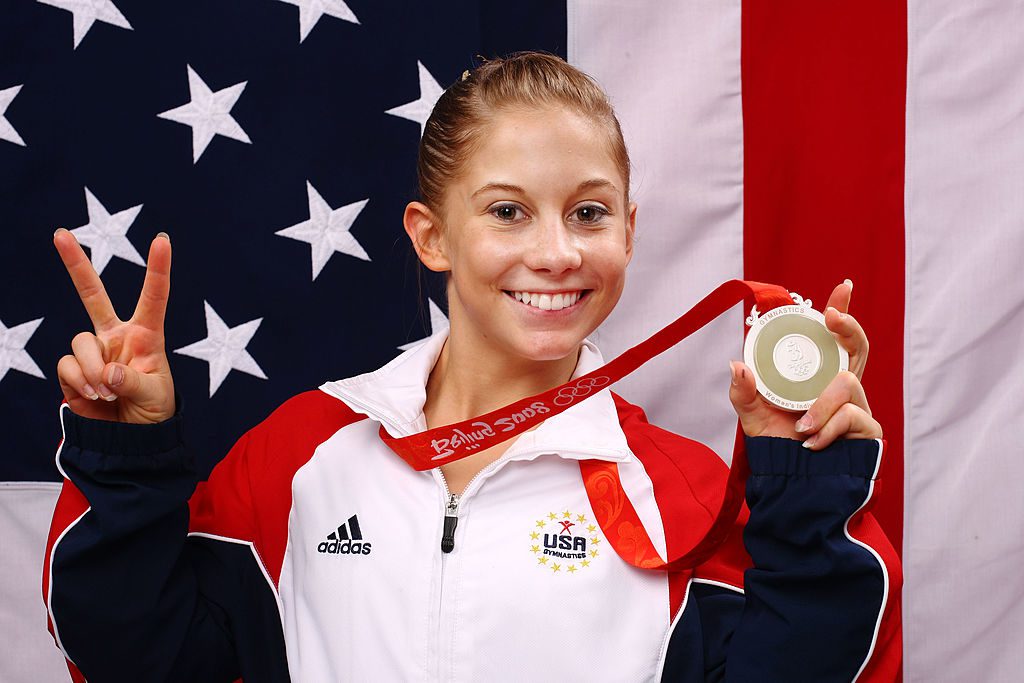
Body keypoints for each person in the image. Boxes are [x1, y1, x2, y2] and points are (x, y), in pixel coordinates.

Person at [44, 53, 900, 682]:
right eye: (508, 212)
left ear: (630, 233)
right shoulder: (302, 454)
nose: (557, 252)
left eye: (590, 212)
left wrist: (805, 488)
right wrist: (127, 462)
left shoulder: (676, 488)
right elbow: (146, 657)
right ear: (431, 235)